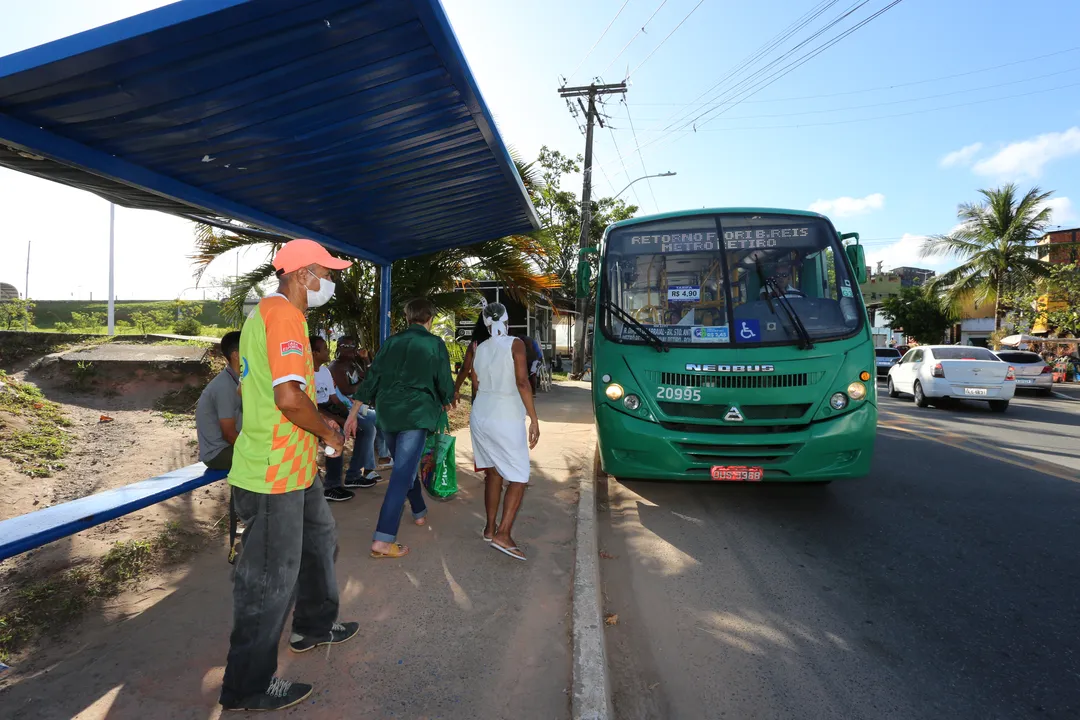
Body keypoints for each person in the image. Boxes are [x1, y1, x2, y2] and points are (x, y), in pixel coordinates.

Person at [219, 239, 358, 713]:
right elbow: (289, 401)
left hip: (295, 467)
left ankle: (315, 625)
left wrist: (323, 428)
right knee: (266, 582)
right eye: (327, 272)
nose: (331, 282)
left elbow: (290, 396)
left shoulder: (284, 316)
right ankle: (247, 686)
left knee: (319, 544)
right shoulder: (282, 316)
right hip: (272, 475)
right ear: (302, 275)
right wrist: (331, 436)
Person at [346, 297, 454, 559]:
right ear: (429, 319)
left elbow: (372, 378)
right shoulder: (434, 343)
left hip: (389, 413)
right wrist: (447, 400)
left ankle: (418, 512)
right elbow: (443, 380)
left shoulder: (391, 342)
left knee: (406, 467)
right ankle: (383, 539)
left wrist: (353, 413)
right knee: (402, 473)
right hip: (416, 414)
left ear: (408, 318)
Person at [465, 303, 540, 561]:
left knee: (494, 473)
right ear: (507, 322)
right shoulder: (515, 344)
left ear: (486, 324)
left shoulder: (479, 347)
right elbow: (522, 382)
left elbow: (475, 384)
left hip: (480, 415)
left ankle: (489, 528)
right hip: (505, 416)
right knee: (519, 476)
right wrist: (534, 418)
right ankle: (503, 534)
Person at [311, 335, 379, 500]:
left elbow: (334, 398)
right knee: (337, 434)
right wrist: (340, 420)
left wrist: (350, 416)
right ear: (313, 353)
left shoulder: (325, 371)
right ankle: (331, 486)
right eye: (325, 349)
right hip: (316, 412)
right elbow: (312, 406)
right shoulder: (306, 373)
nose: (329, 351)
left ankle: (353, 476)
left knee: (365, 428)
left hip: (330, 407)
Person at [333, 337, 391, 468]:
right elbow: (347, 390)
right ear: (341, 348)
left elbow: (370, 376)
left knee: (382, 418)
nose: (355, 349)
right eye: (351, 346)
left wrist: (365, 359)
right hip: (349, 407)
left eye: (355, 346)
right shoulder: (336, 367)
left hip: (360, 405)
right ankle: (369, 468)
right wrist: (365, 384)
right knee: (372, 424)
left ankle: (384, 457)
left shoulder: (353, 363)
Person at [196, 330, 242, 471]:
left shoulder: (237, 380)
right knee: (267, 458)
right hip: (218, 453)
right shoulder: (225, 386)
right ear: (236, 355)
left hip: (230, 447)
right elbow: (229, 434)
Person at [452, 317, 491, 403]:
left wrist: (456, 389)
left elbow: (465, 369)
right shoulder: (509, 346)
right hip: (503, 394)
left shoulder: (475, 345)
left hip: (479, 393)